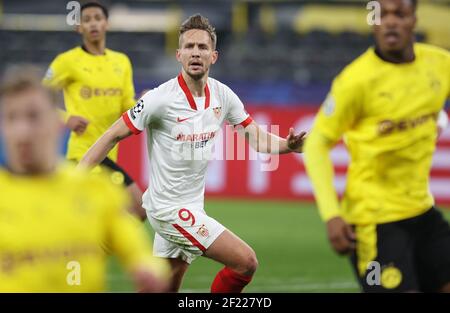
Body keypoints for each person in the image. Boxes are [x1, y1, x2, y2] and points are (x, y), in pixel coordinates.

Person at [79, 14, 307, 293]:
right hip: (168, 211)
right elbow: (112, 134)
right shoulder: (160, 99)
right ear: (178, 54)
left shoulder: (223, 96)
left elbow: (258, 140)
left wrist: (289, 145)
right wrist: (73, 178)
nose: (195, 53)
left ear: (214, 56)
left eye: (202, 47)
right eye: (189, 47)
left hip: (193, 206)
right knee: (245, 262)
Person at [304, 0, 450, 292]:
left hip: (422, 213)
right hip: (373, 223)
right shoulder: (355, 81)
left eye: (400, 14)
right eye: (382, 15)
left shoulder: (439, 64)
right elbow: (316, 143)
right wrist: (331, 214)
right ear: (373, 23)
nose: (391, 22)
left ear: (414, 20)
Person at [0, 65, 170, 292]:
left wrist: (149, 271)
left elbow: (138, 252)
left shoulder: (97, 190)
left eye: (34, 116)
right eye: (11, 118)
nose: (23, 131)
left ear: (56, 122)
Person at [42, 1, 146, 220]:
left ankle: (89, 252)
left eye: (97, 18)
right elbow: (40, 99)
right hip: (83, 153)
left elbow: (126, 105)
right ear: (78, 27)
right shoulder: (67, 61)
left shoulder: (121, 61)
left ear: (106, 23)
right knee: (138, 207)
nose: (93, 24)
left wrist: (143, 103)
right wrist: (66, 118)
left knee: (120, 215)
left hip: (109, 152)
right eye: (86, 20)